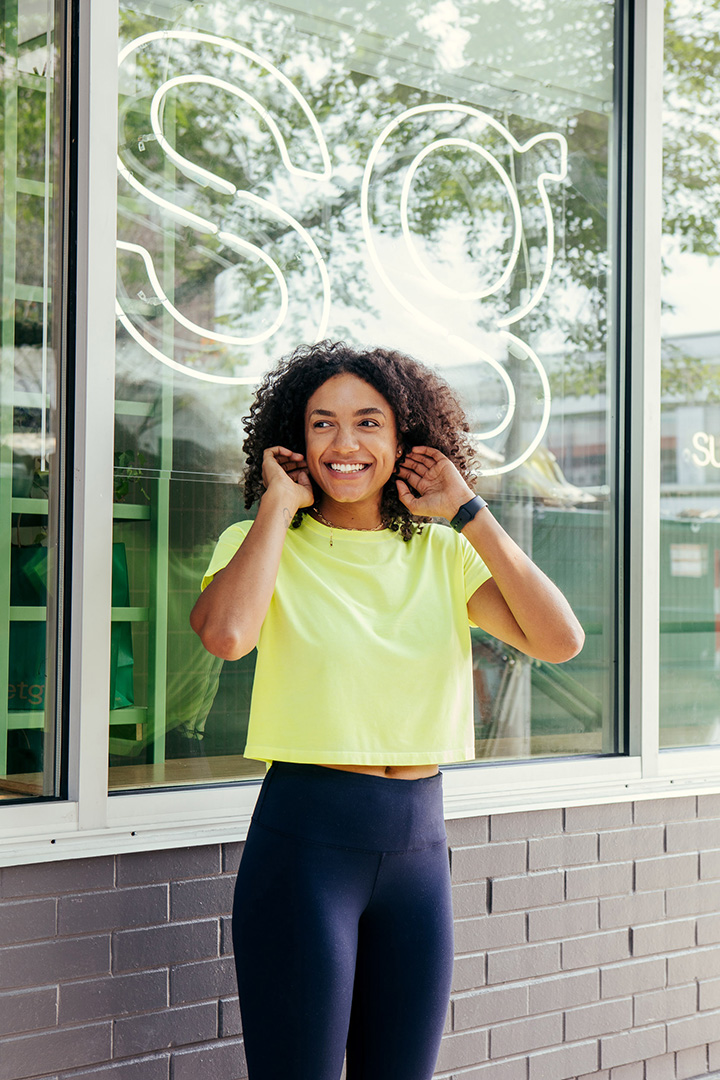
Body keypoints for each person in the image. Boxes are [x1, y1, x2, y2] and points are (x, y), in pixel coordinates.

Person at [190, 340, 584, 1080]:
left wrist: (469, 511)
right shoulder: (258, 542)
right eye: (322, 424)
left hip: (418, 853)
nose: (345, 444)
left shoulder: (443, 554)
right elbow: (228, 635)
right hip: (306, 847)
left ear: (405, 441)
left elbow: (559, 639)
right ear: (294, 439)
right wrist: (278, 504)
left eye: (369, 423)